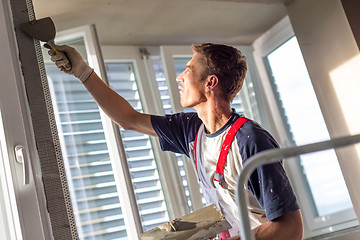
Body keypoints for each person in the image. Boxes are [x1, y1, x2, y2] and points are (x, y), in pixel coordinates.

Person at [48, 43, 303, 239]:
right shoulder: (192, 129)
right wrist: (82, 72)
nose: (180, 77)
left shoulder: (250, 139)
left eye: (188, 70)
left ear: (210, 83)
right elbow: (129, 119)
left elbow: (291, 229)